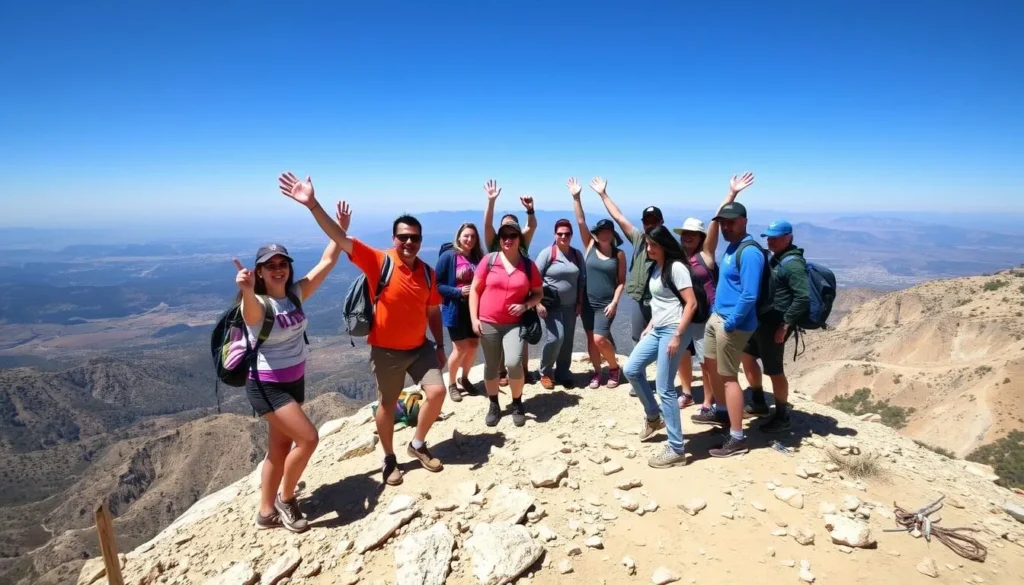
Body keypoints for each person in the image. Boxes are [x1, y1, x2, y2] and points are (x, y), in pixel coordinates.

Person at [278, 172, 448, 487]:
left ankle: (418, 444)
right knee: (386, 404)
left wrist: (439, 345)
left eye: (415, 237)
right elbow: (341, 240)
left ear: (421, 240)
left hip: (420, 347)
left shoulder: (427, 273)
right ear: (394, 238)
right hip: (386, 350)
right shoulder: (378, 260)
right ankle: (388, 457)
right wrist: (314, 205)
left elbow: (433, 310)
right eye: (403, 237)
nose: (409, 242)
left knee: (437, 393)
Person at [234, 204, 346, 532]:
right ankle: (286, 500)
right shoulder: (258, 305)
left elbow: (327, 262)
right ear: (259, 271)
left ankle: (265, 512)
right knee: (309, 439)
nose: (278, 269)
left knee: (279, 448)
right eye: (270, 266)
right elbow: (250, 310)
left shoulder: (295, 296)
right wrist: (245, 288)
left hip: (294, 382)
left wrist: (337, 229)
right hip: (267, 386)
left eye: (282, 264)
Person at [673, 172, 755, 410]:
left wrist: (731, 193)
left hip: (706, 316)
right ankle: (689, 394)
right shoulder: (679, 258)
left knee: (707, 363)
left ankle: (710, 402)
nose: (687, 237)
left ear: (701, 238)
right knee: (682, 356)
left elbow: (715, 223)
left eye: (692, 234)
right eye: (684, 234)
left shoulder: (705, 254)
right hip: (685, 315)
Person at [693, 200, 766, 458]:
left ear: (744, 221)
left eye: (731, 222)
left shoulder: (749, 252)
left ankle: (737, 438)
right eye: (723, 222)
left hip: (733, 323)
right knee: (710, 365)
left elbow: (749, 294)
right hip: (719, 317)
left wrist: (732, 321)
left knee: (728, 377)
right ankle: (722, 413)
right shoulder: (731, 247)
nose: (726, 227)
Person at [622, 226, 699, 468]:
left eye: (652, 245)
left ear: (663, 245)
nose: (648, 249)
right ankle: (654, 417)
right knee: (632, 369)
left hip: (674, 330)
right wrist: (652, 323)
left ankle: (676, 449)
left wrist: (677, 335)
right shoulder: (657, 268)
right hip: (658, 329)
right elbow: (664, 300)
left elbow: (691, 303)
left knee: (665, 387)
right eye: (646, 244)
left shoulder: (676, 268)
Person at [469, 220, 544, 427]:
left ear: (520, 239)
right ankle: (494, 404)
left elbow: (539, 293)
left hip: (515, 324)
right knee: (491, 366)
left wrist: (525, 305)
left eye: (513, 236)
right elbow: (475, 289)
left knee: (513, 362)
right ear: (499, 240)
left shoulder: (528, 265)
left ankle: (517, 401)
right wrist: (474, 318)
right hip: (488, 321)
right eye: (504, 236)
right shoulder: (489, 260)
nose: (508, 240)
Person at [741, 220, 810, 433]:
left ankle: (782, 417)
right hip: (760, 321)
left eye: (776, 237)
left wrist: (785, 324)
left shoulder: (792, 264)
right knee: (747, 356)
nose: (770, 241)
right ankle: (759, 403)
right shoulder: (776, 259)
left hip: (775, 324)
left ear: (789, 237)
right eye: (768, 237)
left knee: (774, 370)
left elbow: (802, 297)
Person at [589, 176, 664, 344]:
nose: (650, 224)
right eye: (647, 221)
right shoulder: (639, 239)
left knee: (662, 340)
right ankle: (640, 371)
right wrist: (603, 195)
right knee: (638, 339)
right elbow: (619, 218)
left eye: (654, 221)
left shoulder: (669, 246)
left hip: (659, 301)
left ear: (661, 222)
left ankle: (663, 370)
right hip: (639, 299)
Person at [569, 177, 627, 389]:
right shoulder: (589, 246)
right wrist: (576, 197)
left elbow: (621, 282)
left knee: (600, 338)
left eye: (607, 231)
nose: (604, 234)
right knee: (591, 338)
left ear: (612, 234)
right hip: (586, 301)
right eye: (601, 231)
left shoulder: (619, 255)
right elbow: (581, 221)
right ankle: (597, 372)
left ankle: (613, 368)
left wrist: (614, 302)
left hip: (605, 304)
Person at [482, 179, 538, 385]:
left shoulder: (521, 243)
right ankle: (502, 372)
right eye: (504, 227)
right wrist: (491, 201)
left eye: (512, 228)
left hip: (521, 298)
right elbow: (487, 225)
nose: (508, 233)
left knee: (521, 335)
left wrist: (530, 210)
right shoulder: (494, 245)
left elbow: (531, 226)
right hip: (496, 301)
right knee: (498, 337)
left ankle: (523, 370)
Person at [436, 223, 486, 402]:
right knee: (460, 347)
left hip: (475, 309)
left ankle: (465, 378)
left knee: (473, 345)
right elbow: (437, 285)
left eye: (473, 236)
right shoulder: (449, 257)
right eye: (466, 236)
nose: (469, 240)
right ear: (458, 237)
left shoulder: (479, 257)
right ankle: (451, 383)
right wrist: (458, 292)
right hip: (455, 308)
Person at [535, 217, 585, 389]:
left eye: (567, 234)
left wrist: (580, 302)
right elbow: (534, 278)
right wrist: (537, 303)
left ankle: (563, 372)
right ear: (555, 234)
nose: (563, 237)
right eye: (560, 234)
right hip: (551, 304)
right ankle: (546, 372)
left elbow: (581, 280)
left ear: (571, 235)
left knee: (568, 340)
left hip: (571, 306)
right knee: (557, 337)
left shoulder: (577, 255)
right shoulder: (548, 253)